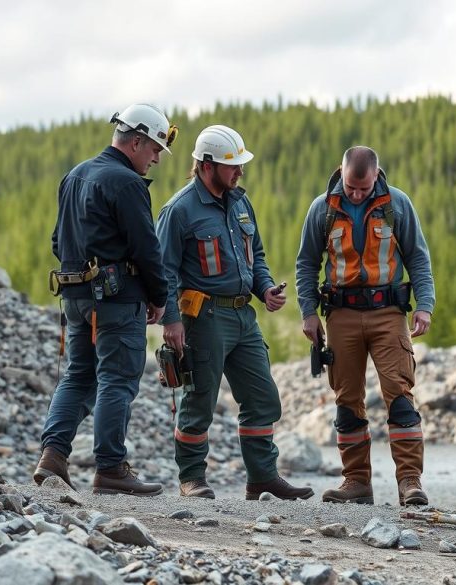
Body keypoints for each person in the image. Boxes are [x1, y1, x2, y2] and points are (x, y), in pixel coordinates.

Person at [156, 125, 314, 501]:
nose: (239, 172)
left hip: (244, 317)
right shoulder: (179, 210)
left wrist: (265, 289)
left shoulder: (241, 203)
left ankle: (262, 477)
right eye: (232, 166)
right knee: (200, 400)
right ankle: (191, 478)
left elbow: (255, 256)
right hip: (204, 319)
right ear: (207, 166)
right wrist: (172, 322)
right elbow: (164, 270)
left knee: (263, 398)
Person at [34, 103, 177, 496]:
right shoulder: (127, 183)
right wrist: (159, 297)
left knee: (79, 375)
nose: (156, 160)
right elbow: (147, 249)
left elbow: (56, 241)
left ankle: (53, 457)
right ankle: (112, 469)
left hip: (75, 297)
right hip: (115, 300)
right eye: (154, 151)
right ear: (136, 141)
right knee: (117, 378)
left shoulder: (75, 174)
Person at [295, 146, 435, 506]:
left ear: (376, 175)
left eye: (363, 188)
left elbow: (418, 257)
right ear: (341, 173)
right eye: (350, 187)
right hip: (340, 314)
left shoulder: (397, 204)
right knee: (347, 403)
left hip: (389, 313)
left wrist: (425, 306)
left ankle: (410, 482)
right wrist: (308, 313)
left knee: (400, 397)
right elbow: (306, 264)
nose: (356, 194)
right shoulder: (322, 208)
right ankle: (356, 482)